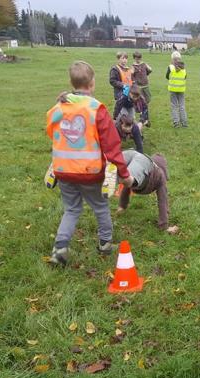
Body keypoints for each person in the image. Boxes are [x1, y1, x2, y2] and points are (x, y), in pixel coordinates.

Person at [47, 61, 133, 266]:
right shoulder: (96, 109)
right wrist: (125, 174)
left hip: (63, 171)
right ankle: (105, 244)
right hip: (89, 172)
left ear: (71, 82)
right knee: (101, 207)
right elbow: (112, 146)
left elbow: (51, 130)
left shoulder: (59, 107)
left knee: (71, 210)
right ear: (92, 83)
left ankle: (59, 249)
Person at [117, 150, 178, 234]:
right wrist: (164, 225)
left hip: (139, 181)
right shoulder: (160, 176)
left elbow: (126, 189)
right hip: (142, 183)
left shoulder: (149, 167)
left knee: (128, 177)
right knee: (129, 178)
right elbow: (163, 201)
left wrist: (122, 206)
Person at [109, 51, 133, 120]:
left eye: (126, 58)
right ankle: (117, 127)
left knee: (131, 116)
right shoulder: (115, 69)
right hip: (120, 95)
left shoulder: (129, 69)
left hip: (130, 96)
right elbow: (112, 81)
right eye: (122, 58)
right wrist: (123, 85)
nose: (124, 60)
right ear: (118, 59)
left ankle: (130, 129)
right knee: (123, 115)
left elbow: (131, 80)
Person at [166, 54, 188, 128]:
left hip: (173, 89)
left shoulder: (170, 67)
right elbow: (185, 77)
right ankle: (184, 123)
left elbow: (167, 76)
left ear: (172, 59)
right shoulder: (183, 68)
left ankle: (176, 123)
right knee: (182, 106)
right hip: (181, 89)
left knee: (174, 106)